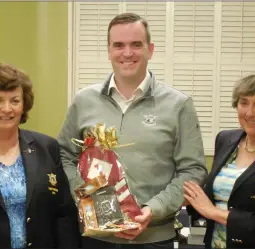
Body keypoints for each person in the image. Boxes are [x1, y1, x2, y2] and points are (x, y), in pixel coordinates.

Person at [57, 13, 207, 248]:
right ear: (109, 51)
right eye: (119, 45)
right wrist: (87, 198)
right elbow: (64, 156)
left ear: (150, 49)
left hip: (154, 239)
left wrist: (153, 209)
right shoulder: (83, 101)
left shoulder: (179, 105)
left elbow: (193, 170)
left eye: (136, 45)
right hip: (95, 239)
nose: (127, 53)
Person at [0, 62, 81, 248]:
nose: (7, 109)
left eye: (15, 101)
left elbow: (63, 215)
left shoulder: (47, 147)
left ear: (24, 106)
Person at [184, 73, 255, 248]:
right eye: (243, 102)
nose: (250, 112)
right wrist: (190, 198)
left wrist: (213, 212)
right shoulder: (225, 139)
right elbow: (217, 195)